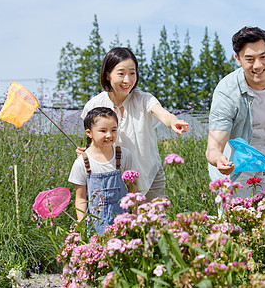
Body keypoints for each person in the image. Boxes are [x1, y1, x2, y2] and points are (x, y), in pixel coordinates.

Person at [79, 47, 189, 201]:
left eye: (132, 73)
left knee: (155, 221)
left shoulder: (144, 99)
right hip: (114, 178)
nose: (128, 80)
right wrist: (86, 152)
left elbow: (162, 114)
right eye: (121, 73)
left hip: (149, 174)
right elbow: (92, 143)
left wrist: (174, 122)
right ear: (107, 75)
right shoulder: (94, 105)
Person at [206, 26, 265, 198]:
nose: (258, 65)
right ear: (238, 59)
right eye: (249, 59)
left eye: (263, 57)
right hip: (238, 163)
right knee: (236, 221)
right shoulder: (226, 92)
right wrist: (218, 159)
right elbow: (214, 146)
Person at [68, 107, 134, 234]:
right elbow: (81, 198)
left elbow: (132, 188)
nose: (109, 135)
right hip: (95, 226)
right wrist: (81, 225)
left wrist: (136, 213)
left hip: (123, 223)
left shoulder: (123, 155)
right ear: (89, 133)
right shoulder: (82, 162)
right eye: (103, 131)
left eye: (113, 130)